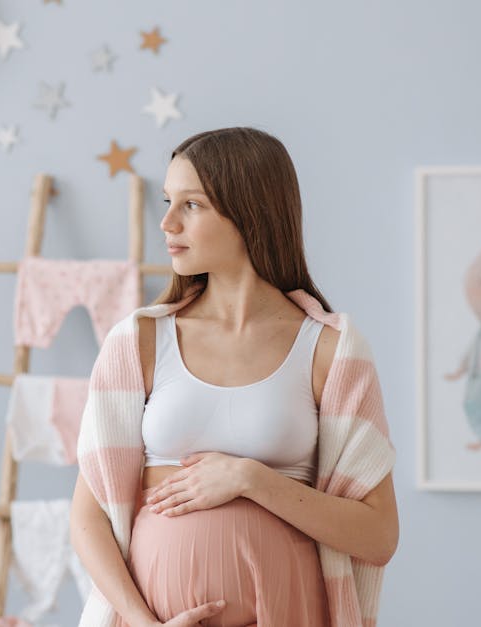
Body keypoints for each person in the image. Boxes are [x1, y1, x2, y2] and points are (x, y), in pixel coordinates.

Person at [69, 127, 398, 627]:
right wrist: (141, 624)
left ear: (251, 211)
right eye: (167, 201)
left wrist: (251, 479)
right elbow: (88, 516)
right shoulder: (139, 342)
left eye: (192, 205)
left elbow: (378, 536)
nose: (167, 222)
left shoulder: (330, 349)